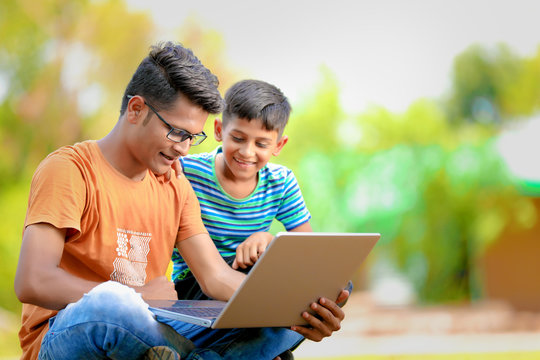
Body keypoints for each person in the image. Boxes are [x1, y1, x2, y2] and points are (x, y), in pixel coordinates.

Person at [14, 41, 349, 360]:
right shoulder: (70, 169)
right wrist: (138, 297)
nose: (184, 149)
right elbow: (33, 281)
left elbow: (216, 277)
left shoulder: (174, 183)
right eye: (177, 132)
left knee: (321, 289)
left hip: (154, 335)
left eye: (193, 137)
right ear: (136, 109)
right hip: (69, 334)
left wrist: (298, 308)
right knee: (113, 304)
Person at [172, 79, 311, 299]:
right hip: (195, 283)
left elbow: (307, 249)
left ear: (278, 145)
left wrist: (269, 240)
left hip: (251, 275)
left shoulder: (281, 182)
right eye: (238, 138)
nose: (247, 152)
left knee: (336, 285)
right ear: (219, 130)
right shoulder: (185, 170)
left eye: (261, 144)